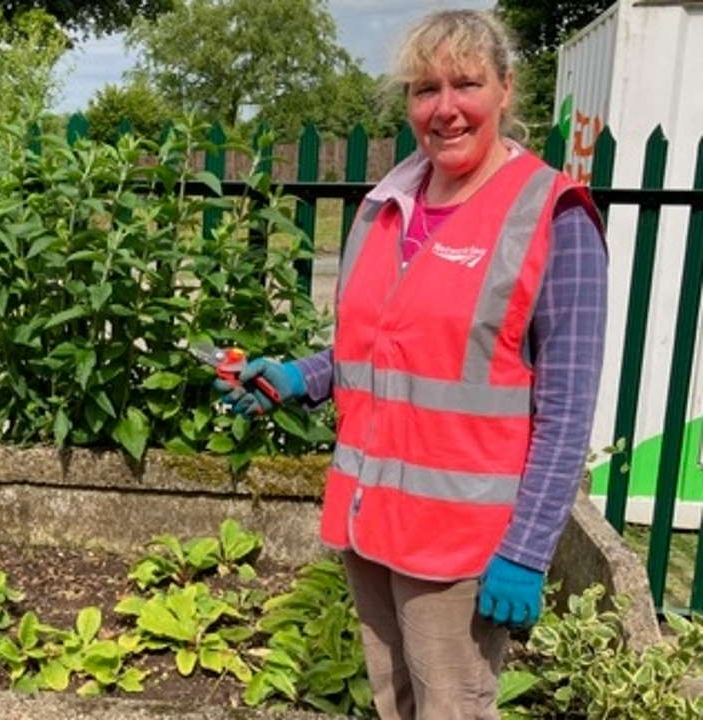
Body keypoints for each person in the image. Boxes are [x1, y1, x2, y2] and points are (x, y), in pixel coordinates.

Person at [217, 10, 607, 720]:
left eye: (467, 83)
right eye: (426, 89)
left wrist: (526, 549)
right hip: (373, 524)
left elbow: (568, 410)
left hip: (464, 549)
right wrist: (300, 378)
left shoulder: (552, 215)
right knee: (395, 704)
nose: (445, 107)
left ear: (506, 89)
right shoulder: (389, 203)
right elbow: (374, 352)